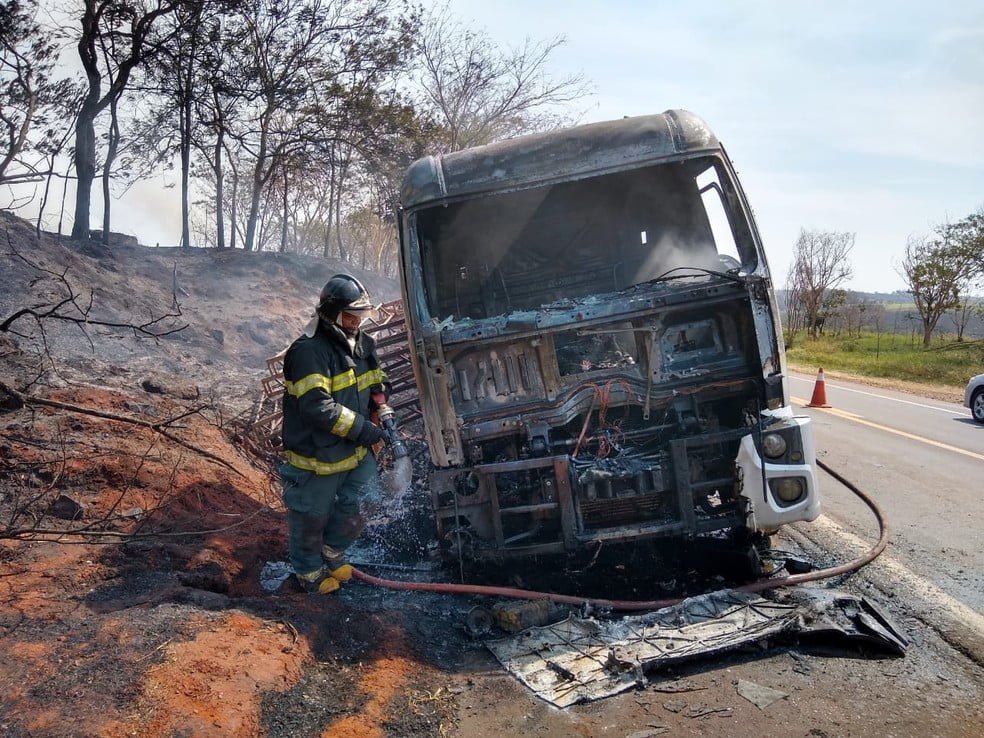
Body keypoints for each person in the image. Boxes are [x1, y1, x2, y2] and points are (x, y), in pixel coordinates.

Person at [280, 274, 389, 594]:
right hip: (317, 455)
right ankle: (309, 572)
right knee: (311, 514)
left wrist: (382, 401)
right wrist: (364, 430)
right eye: (351, 316)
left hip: (354, 450)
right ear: (330, 315)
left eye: (362, 315)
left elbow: (376, 382)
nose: (357, 322)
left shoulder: (364, 344)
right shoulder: (308, 352)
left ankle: (332, 551)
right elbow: (317, 407)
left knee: (366, 499)